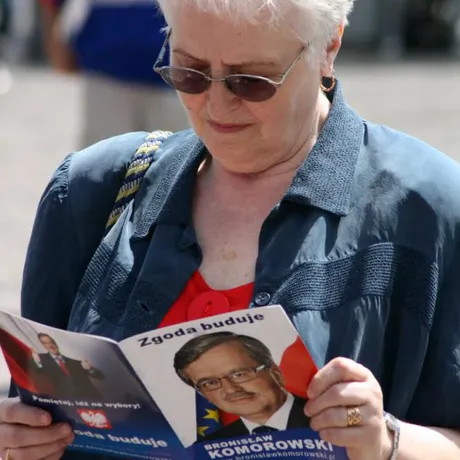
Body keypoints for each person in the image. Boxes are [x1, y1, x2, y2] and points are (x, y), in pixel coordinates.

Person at [0, 0, 459, 459]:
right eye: (189, 72)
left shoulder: (428, 208)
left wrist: (387, 441)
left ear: (329, 47)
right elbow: (32, 412)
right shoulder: (93, 189)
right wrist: (20, 438)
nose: (216, 106)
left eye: (252, 81)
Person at [38, 0, 190, 147]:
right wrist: (55, 37)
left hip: (178, 73)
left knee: (177, 162)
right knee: (103, 165)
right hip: (106, 67)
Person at [174, 331, 310, 441]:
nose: (231, 389)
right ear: (203, 395)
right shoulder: (208, 446)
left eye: (239, 374)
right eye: (210, 383)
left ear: (276, 373)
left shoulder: (326, 416)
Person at [27, 333, 105, 401]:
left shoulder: (74, 358)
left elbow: (100, 376)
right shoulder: (41, 360)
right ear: (42, 345)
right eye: (45, 343)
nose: (50, 345)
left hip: (93, 400)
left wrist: (90, 369)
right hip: (68, 405)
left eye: (51, 341)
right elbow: (37, 376)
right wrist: (38, 363)